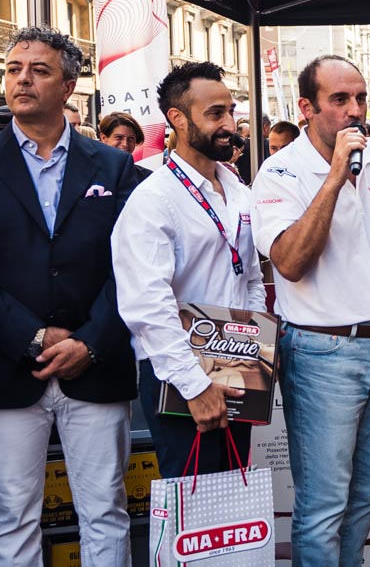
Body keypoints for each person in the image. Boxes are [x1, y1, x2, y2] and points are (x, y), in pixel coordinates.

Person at [0, 27, 141, 566]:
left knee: (105, 511)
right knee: (11, 515)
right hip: (5, 367)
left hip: (95, 366)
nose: (22, 80)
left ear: (69, 86)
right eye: (14, 69)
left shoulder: (113, 166)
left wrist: (90, 342)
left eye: (39, 70)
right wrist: (33, 336)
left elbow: (133, 268)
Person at [253, 54, 370, 567]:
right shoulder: (281, 170)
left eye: (359, 98)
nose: (355, 110)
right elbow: (289, 262)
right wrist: (333, 178)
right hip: (321, 352)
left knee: (368, 491)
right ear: (306, 107)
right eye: (339, 99)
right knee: (323, 503)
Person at [114, 61, 262, 478]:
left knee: (233, 494)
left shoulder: (236, 190)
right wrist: (194, 385)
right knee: (193, 501)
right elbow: (148, 304)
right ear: (177, 119)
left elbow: (250, 276)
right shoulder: (154, 199)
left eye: (230, 111)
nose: (229, 124)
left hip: (236, 363)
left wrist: (252, 346)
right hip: (178, 371)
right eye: (215, 114)